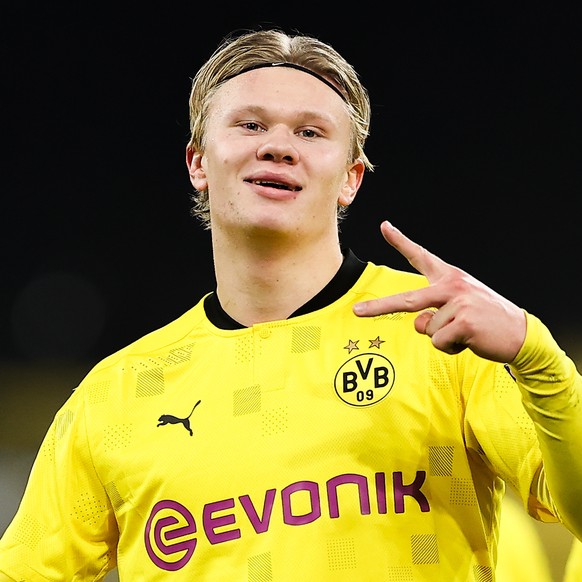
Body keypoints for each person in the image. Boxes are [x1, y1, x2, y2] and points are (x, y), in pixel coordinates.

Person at [0, 27, 581, 581]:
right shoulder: (117, 395)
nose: (278, 146)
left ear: (351, 178)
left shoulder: (441, 333)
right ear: (198, 163)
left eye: (310, 132)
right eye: (251, 125)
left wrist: (538, 358)